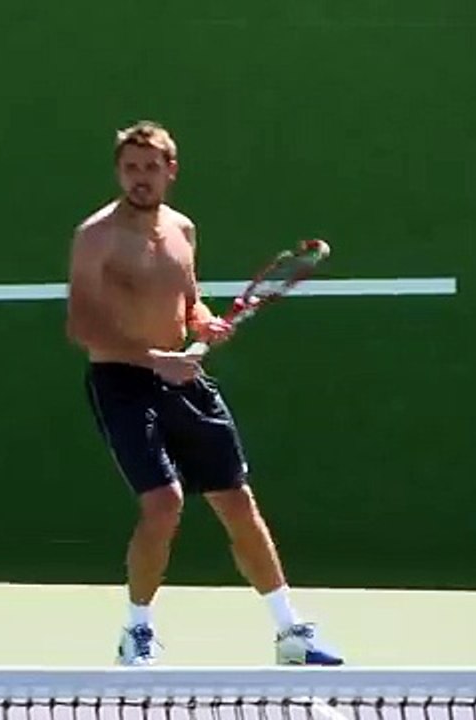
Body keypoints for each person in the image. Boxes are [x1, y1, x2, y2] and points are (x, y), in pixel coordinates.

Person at [64, 120, 343, 667]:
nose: (140, 179)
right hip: (122, 383)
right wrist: (155, 359)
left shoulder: (182, 230)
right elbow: (80, 323)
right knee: (163, 503)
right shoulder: (95, 235)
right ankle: (137, 631)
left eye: (150, 168)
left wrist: (206, 324)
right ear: (119, 172)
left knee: (238, 502)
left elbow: (188, 303)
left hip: (184, 382)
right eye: (130, 168)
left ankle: (291, 633)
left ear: (171, 171)